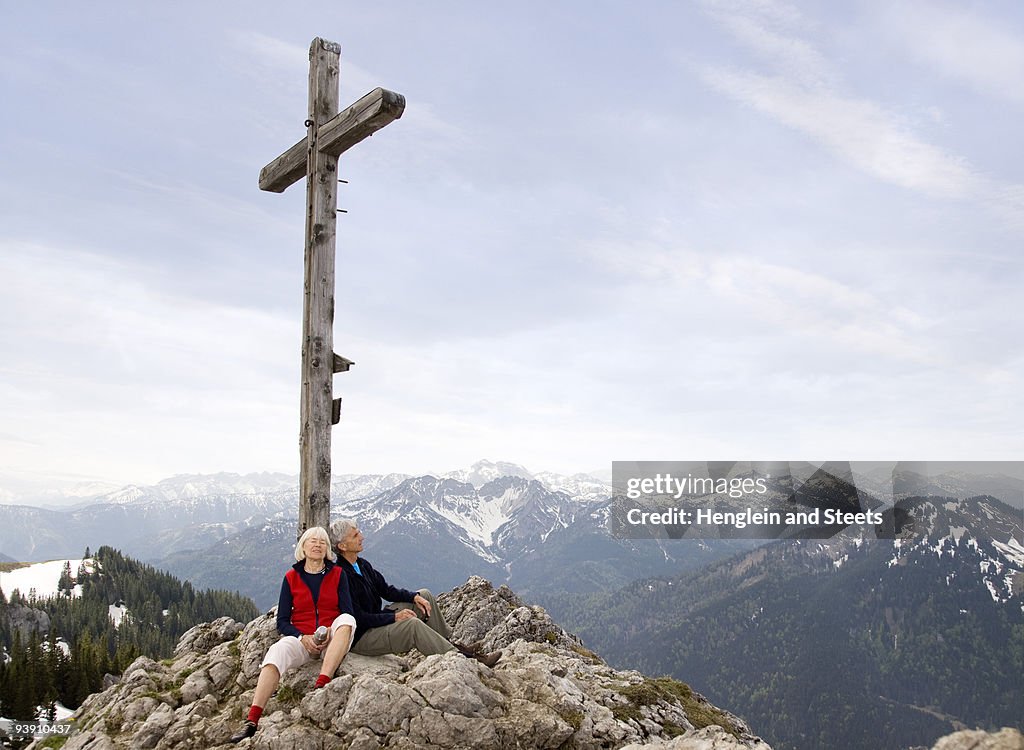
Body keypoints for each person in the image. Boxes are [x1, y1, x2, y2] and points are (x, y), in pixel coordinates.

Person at [230, 526, 356, 743]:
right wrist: (301, 637)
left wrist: (328, 634)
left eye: (322, 542)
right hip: (303, 639)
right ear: (303, 547)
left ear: (327, 549)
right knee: (276, 651)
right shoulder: (291, 577)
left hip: (331, 637)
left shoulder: (338, 574)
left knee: (347, 620)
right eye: (312, 541)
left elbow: (347, 611)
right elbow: (282, 622)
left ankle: (322, 683)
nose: (317, 545)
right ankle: (252, 720)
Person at [329, 518, 501, 667]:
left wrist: (413, 597)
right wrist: (394, 618)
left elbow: (386, 591)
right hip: (362, 637)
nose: (362, 537)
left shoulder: (362, 565)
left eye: (359, 532)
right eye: (355, 535)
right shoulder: (341, 575)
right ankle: (463, 659)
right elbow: (357, 618)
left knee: (424, 595)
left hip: (376, 621)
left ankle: (450, 645)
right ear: (342, 546)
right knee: (412, 625)